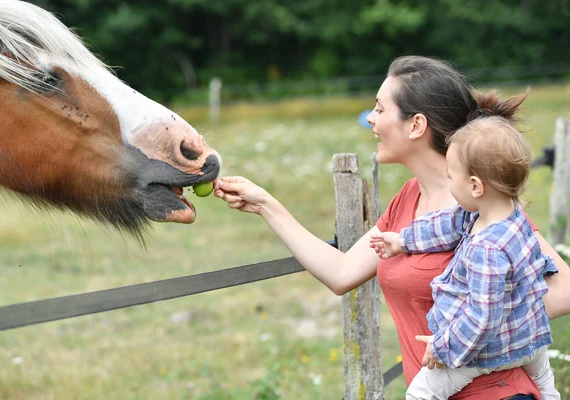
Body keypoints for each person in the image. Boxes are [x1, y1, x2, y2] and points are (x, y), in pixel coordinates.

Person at [213, 56, 570, 399]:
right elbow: (341, 271)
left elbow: (564, 289)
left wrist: (475, 330)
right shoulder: (409, 199)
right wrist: (265, 205)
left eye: (381, 109)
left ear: (416, 125)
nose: (371, 118)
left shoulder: (478, 203)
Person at [368, 115, 560, 399]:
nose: (449, 183)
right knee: (545, 381)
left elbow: (481, 320)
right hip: (529, 338)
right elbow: (445, 225)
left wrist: (443, 348)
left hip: (492, 349)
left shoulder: (487, 250)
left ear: (475, 186)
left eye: (450, 176)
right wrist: (403, 240)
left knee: (420, 392)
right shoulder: (510, 217)